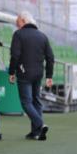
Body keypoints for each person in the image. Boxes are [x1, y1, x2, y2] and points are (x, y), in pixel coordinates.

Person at [7, 11, 55, 141]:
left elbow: (15, 55)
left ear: (23, 21)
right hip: (39, 73)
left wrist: (11, 72)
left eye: (17, 21)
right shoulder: (42, 36)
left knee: (26, 102)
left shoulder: (18, 35)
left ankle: (40, 125)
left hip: (24, 73)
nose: (16, 24)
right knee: (36, 101)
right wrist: (49, 76)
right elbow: (50, 57)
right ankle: (35, 133)